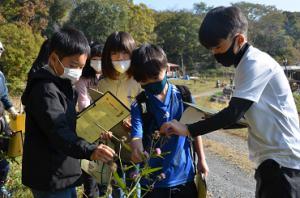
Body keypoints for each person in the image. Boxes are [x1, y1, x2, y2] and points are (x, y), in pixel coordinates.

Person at [160, 6, 300, 198]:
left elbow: (233, 113)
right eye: (211, 49)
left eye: (218, 47)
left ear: (239, 39)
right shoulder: (247, 64)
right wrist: (200, 121)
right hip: (273, 163)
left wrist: (189, 130)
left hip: (283, 165)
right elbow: (240, 117)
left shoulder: (254, 63)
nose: (215, 54)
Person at [21, 27, 115, 198]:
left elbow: (69, 124)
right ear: (54, 58)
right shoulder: (45, 89)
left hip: (61, 172)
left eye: (81, 67)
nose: (77, 72)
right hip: (50, 174)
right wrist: (89, 149)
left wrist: (93, 127)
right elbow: (58, 130)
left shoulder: (62, 85)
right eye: (73, 65)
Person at [130, 44, 208, 198]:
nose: (151, 84)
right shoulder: (140, 104)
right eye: (144, 81)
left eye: (154, 78)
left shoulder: (183, 95)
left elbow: (195, 130)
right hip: (152, 183)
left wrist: (202, 160)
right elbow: (136, 134)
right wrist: (136, 148)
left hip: (184, 177)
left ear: (165, 69)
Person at [97, 31, 141, 197]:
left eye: (124, 52)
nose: (119, 58)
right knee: (116, 187)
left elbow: (147, 111)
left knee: (133, 187)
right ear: (107, 56)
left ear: (132, 53)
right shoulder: (103, 83)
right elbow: (100, 112)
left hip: (134, 145)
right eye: (114, 53)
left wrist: (134, 120)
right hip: (112, 144)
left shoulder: (138, 80)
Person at [75, 42, 103, 198]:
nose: (98, 62)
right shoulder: (83, 80)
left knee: (105, 175)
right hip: (90, 130)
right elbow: (83, 104)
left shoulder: (108, 79)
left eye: (101, 58)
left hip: (109, 130)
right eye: (95, 58)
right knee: (90, 174)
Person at [0, 41, 19, 197]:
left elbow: (4, 97)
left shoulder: (0, 76)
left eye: (0, 51)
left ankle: (1, 186)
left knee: (5, 155)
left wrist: (12, 111)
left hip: (1, 122)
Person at [76, 42, 103, 112]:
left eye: (101, 60)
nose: (98, 62)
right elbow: (83, 102)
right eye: (94, 59)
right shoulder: (83, 79)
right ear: (89, 61)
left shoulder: (109, 77)